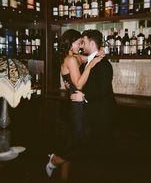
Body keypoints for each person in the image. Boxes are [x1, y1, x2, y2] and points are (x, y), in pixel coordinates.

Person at [45, 29, 103, 178]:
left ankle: (63, 177)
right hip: (75, 105)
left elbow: (88, 57)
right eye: (79, 43)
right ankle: (54, 160)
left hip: (76, 103)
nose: (81, 45)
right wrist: (90, 66)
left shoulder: (75, 57)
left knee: (73, 142)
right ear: (71, 43)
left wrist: (98, 53)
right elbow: (78, 85)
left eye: (82, 42)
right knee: (80, 141)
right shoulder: (70, 60)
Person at [71, 29, 116, 158]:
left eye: (83, 42)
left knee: (102, 151)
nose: (81, 45)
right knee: (92, 149)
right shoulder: (89, 60)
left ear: (91, 43)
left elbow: (103, 89)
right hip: (91, 112)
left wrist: (83, 96)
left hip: (102, 113)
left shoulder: (103, 64)